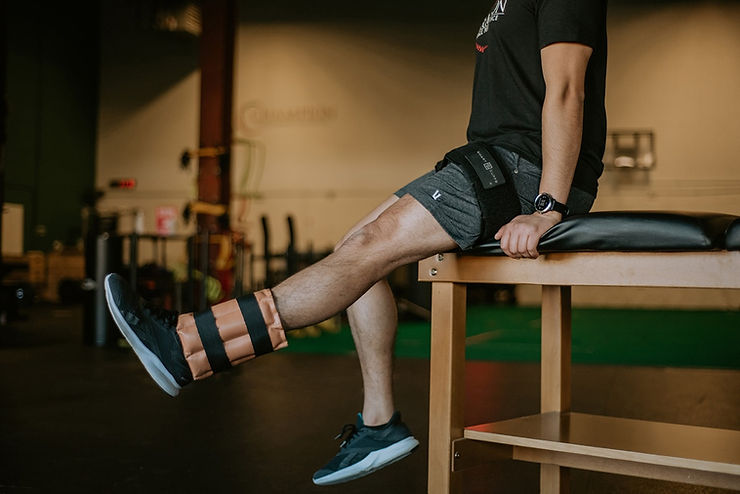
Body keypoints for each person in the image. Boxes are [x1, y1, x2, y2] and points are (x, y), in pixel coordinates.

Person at [105, 0, 607, 486]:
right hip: (489, 161)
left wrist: (548, 208)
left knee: (369, 244)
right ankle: (379, 423)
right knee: (356, 249)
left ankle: (188, 344)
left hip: (524, 170)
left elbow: (567, 91)